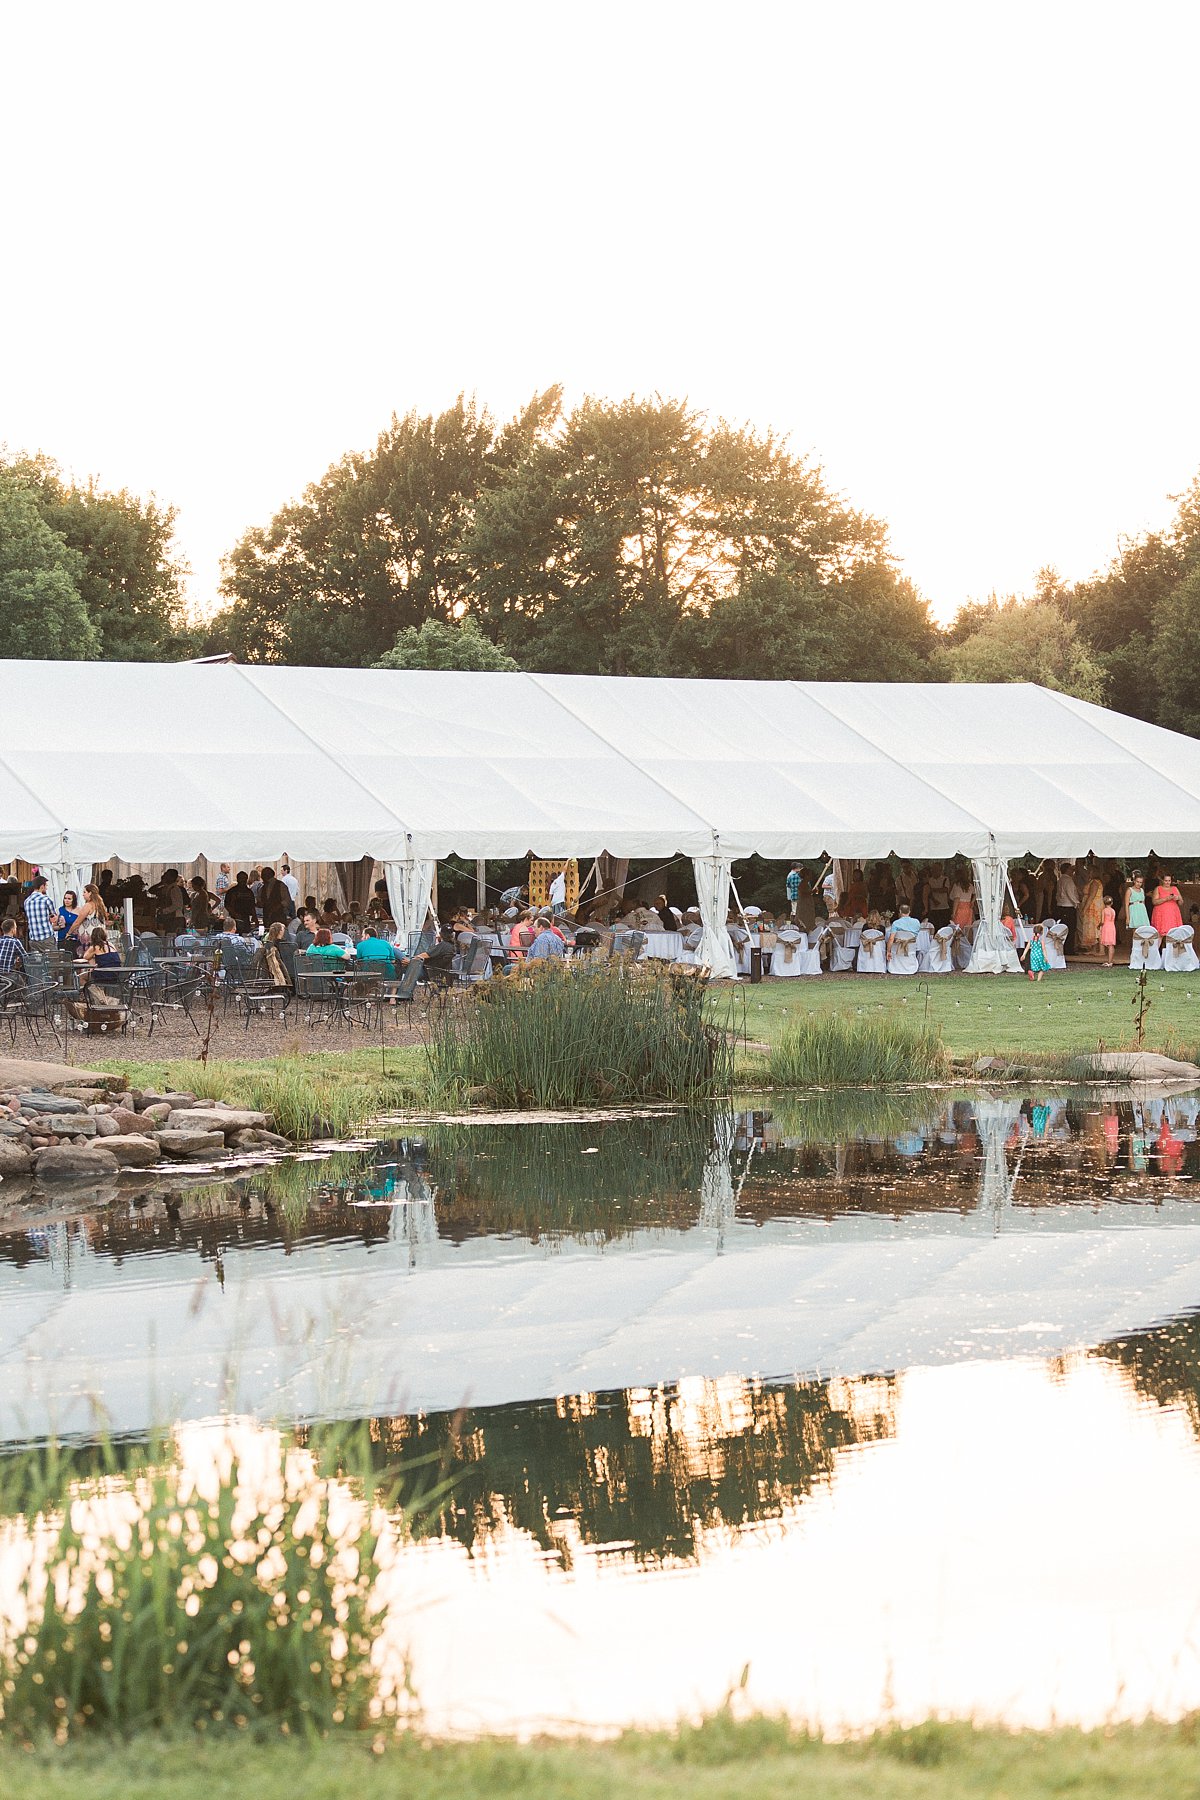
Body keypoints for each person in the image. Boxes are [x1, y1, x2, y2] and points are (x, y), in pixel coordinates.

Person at [23, 876, 59, 952]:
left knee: (37, 962)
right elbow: (54, 918)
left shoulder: (26, 901)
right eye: (46, 886)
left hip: (33, 938)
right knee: (52, 962)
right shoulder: (46, 900)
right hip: (46, 937)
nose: (46, 888)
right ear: (42, 886)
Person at [1077, 866, 1105, 953]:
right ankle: (1093, 949)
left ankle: (1101, 950)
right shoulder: (1092, 882)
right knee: (1092, 928)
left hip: (1094, 907)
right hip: (1091, 906)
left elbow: (1091, 896)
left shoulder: (1095, 883)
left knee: (1096, 927)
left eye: (1089, 872)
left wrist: (1084, 908)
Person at [1055, 862, 1080, 953]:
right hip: (1068, 906)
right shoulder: (1068, 880)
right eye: (1071, 869)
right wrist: (1077, 903)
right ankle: (1069, 949)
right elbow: (1070, 893)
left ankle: (1064, 947)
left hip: (1061, 905)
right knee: (1070, 928)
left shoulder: (1061, 879)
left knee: (1063, 927)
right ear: (1067, 870)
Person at [1100, 894, 1118, 968]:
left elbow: (1102, 921)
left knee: (1108, 945)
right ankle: (1110, 961)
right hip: (1112, 926)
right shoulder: (1113, 911)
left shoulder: (1104, 910)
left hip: (1106, 927)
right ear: (1112, 903)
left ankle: (1109, 961)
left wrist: (1099, 926)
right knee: (1111, 944)